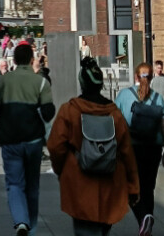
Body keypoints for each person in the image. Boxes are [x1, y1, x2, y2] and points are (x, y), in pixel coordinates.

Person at [48, 56, 139, 236]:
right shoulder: (115, 114)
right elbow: (127, 152)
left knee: (84, 229)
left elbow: (55, 146)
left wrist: (61, 170)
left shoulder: (70, 110)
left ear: (82, 82)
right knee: (103, 229)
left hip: (78, 183)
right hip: (110, 184)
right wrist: (133, 187)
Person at [0, 41, 55, 236]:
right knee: (33, 185)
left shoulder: (2, 81)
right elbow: (49, 112)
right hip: (33, 140)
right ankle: (31, 225)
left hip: (10, 139)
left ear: (13, 60)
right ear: (32, 60)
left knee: (14, 183)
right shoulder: (41, 82)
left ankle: (21, 220)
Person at [115, 61, 164, 236]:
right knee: (148, 188)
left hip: (132, 147)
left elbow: (115, 122)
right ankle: (148, 226)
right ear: (152, 77)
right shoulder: (157, 98)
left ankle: (143, 217)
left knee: (130, 186)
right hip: (153, 147)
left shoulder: (124, 95)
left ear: (135, 76)